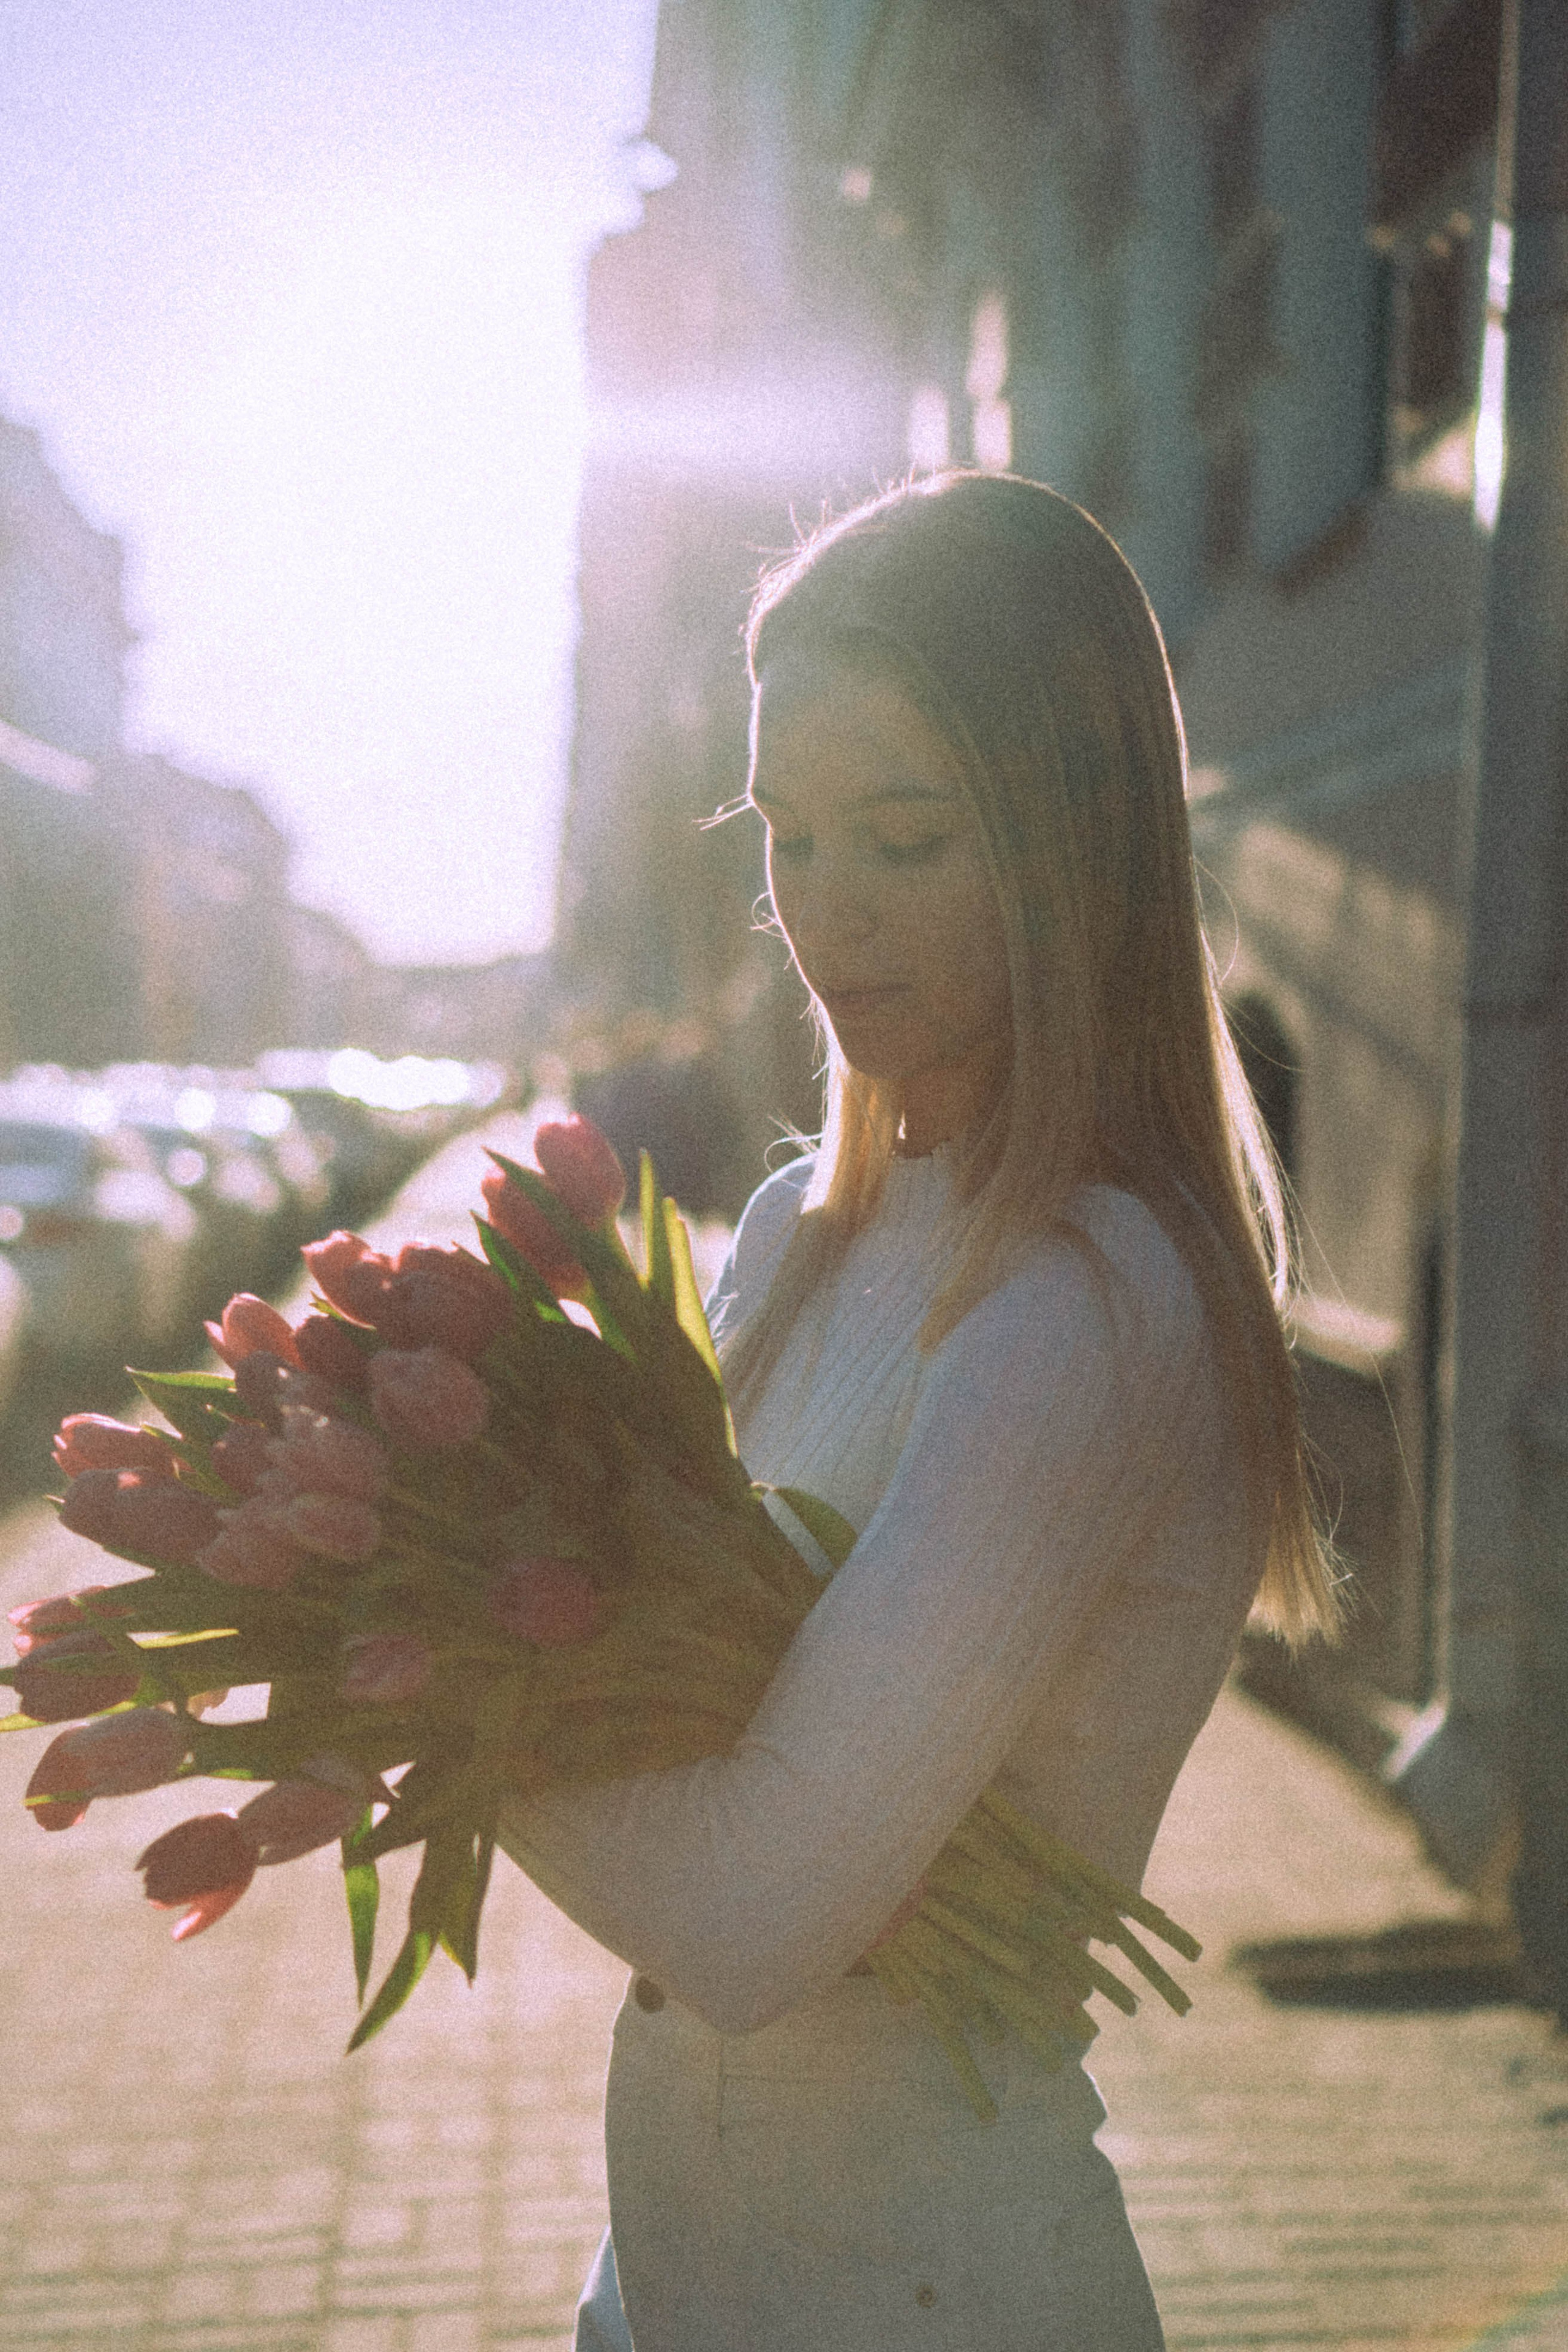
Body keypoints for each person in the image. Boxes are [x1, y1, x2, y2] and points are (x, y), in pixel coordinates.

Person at [497, 470, 1339, 2351]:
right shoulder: (803, 1232)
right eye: (792, 837)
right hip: (669, 2296)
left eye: (908, 834)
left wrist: (409, 1684)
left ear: (1079, 844)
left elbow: (745, 1922)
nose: (830, 914)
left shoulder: (1093, 1303)